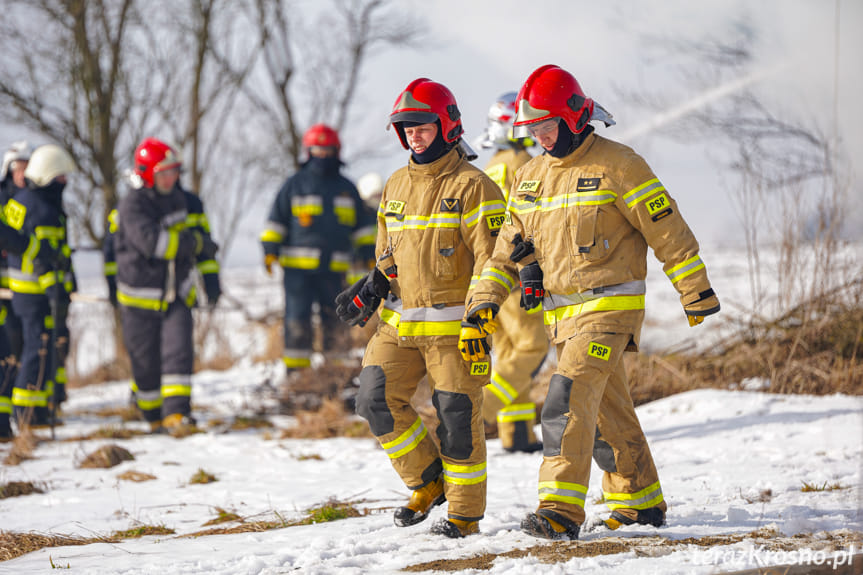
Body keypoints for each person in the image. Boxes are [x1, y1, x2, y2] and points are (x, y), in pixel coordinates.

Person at [463, 65, 720, 540]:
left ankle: (559, 509)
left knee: (566, 399)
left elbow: (666, 230)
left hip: (609, 310)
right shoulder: (529, 177)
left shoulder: (619, 165)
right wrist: (484, 301)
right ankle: (639, 501)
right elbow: (504, 251)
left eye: (546, 124)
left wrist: (695, 288)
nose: (539, 136)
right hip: (563, 318)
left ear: (574, 116)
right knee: (608, 411)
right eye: (531, 128)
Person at [337, 78, 506, 538]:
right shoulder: (394, 184)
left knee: (456, 420)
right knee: (374, 399)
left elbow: (495, 258)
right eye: (406, 127)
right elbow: (387, 254)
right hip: (398, 326)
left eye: (423, 125)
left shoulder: (475, 187)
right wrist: (373, 284)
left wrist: (482, 314)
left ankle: (464, 516)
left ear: (446, 126)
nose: (413, 134)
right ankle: (429, 480)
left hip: (458, 329)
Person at [113, 138, 218, 433]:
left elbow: (205, 244)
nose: (171, 178)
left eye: (174, 171)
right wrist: (193, 243)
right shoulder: (133, 205)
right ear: (147, 174)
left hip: (178, 294)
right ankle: (150, 415)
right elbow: (156, 244)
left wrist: (212, 279)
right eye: (163, 173)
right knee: (145, 364)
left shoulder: (187, 201)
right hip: (139, 301)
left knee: (179, 353)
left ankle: (177, 415)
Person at [260, 124, 370, 375]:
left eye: (327, 149)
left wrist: (367, 254)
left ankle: (335, 376)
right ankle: (299, 379)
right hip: (298, 273)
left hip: (336, 271)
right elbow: (275, 221)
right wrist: (269, 248)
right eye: (317, 149)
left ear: (336, 151)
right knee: (297, 323)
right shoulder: (294, 185)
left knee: (338, 322)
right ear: (308, 151)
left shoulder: (347, 188)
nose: (322, 154)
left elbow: (363, 227)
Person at [477, 92, 548, 453]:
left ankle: (518, 433)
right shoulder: (522, 162)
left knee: (507, 354)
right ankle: (480, 412)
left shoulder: (492, 165)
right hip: (518, 275)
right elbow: (525, 220)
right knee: (533, 344)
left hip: (492, 275)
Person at [5, 144, 77, 429]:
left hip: (25, 291)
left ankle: (40, 409)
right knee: (37, 349)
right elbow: (44, 259)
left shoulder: (22, 200)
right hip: (36, 292)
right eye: (60, 177)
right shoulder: (43, 209)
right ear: (48, 176)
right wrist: (54, 291)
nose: (65, 183)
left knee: (40, 347)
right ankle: (26, 412)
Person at [0, 141, 33, 381]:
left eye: (27, 168)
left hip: (25, 285)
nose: (23, 174)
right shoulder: (3, 199)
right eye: (18, 168)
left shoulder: (37, 200)